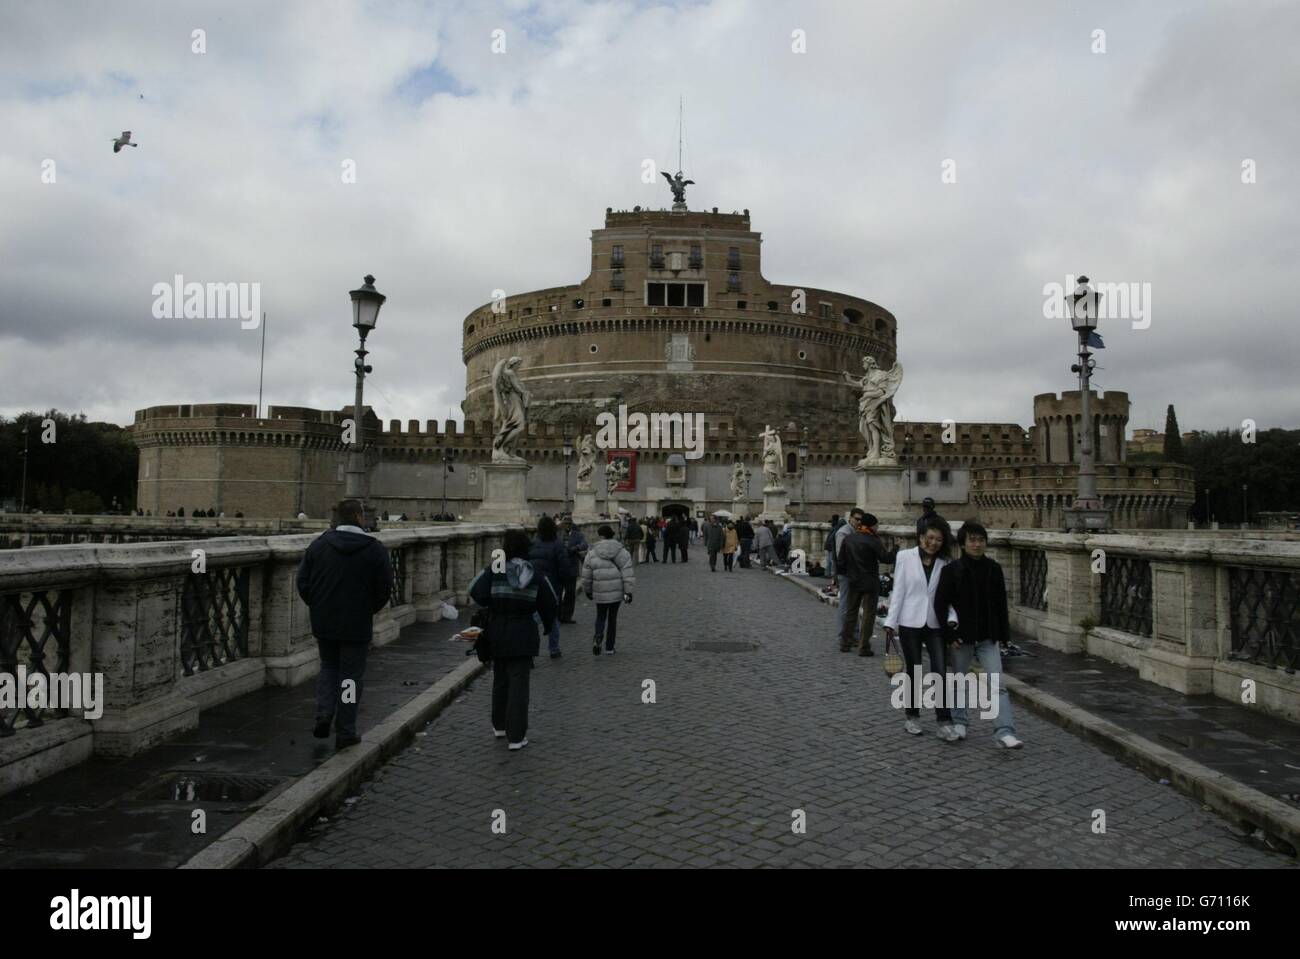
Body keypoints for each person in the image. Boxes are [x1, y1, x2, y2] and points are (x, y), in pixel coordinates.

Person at [295, 498, 394, 749]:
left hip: (324, 620)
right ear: (360, 518)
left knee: (328, 667)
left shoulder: (318, 546)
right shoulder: (374, 549)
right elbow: (384, 589)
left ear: (337, 518)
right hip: (356, 623)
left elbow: (303, 582)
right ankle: (346, 729)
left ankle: (324, 713)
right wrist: (368, 610)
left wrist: (318, 606)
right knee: (350, 677)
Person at [934, 520, 1022, 748]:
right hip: (961, 637)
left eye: (981, 540)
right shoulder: (951, 571)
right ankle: (960, 722)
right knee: (959, 681)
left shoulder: (994, 568)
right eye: (972, 540)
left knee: (997, 684)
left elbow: (1001, 604)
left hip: (987, 636)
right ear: (962, 544)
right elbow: (940, 605)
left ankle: (1004, 731)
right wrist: (949, 636)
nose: (977, 544)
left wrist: (1004, 635)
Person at [469, 529, 557, 751]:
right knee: (519, 685)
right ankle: (516, 737)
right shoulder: (535, 574)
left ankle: (499, 726)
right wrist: (547, 625)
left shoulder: (495, 570)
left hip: (497, 630)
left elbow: (475, 590)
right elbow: (550, 603)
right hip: (523, 632)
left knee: (500, 679)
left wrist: (493, 600)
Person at [884, 520, 958, 740]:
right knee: (914, 671)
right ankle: (912, 717)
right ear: (921, 537)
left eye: (938, 539)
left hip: (936, 622)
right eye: (930, 538)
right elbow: (899, 591)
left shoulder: (945, 562)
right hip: (910, 621)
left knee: (940, 673)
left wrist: (953, 618)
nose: (933, 543)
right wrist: (890, 621)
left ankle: (944, 722)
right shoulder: (904, 557)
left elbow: (950, 596)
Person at [836, 511, 896, 655]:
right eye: (876, 525)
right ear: (872, 526)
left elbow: (841, 561)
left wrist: (848, 574)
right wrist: (896, 547)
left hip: (854, 581)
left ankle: (845, 643)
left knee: (851, 612)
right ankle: (863, 647)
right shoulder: (873, 540)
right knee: (868, 615)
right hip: (870, 582)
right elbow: (886, 558)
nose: (877, 528)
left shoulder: (849, 539)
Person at [581, 525, 635, 655]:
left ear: (600, 536)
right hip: (616, 591)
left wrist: (588, 590)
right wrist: (628, 592)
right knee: (612, 618)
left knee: (600, 616)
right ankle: (610, 647)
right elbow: (628, 573)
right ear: (612, 535)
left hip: (600, 591)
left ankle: (598, 636)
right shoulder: (622, 551)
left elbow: (586, 575)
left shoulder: (592, 553)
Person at [527, 515, 569, 659]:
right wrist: (564, 582)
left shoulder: (533, 543)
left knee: (534, 614)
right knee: (552, 617)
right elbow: (564, 567)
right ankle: (554, 649)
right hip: (552, 586)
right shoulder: (558, 544)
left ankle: (530, 650)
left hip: (533, 584)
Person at [558, 516, 587, 623]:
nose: (567, 525)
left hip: (571, 568)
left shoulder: (578, 535)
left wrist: (576, 548)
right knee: (558, 593)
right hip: (559, 569)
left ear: (572, 524)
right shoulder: (558, 535)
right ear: (562, 524)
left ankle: (567, 616)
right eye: (565, 523)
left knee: (570, 594)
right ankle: (559, 615)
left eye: (569, 524)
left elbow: (585, 544)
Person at [823, 514, 844, 591]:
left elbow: (831, 538)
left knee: (831, 562)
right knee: (831, 562)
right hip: (831, 547)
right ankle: (830, 576)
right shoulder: (836, 528)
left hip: (831, 547)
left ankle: (831, 576)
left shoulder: (836, 528)